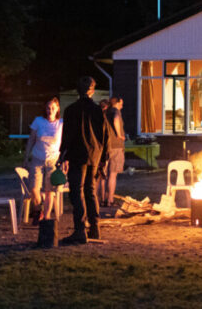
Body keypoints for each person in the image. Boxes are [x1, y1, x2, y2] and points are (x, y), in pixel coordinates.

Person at [59, 76, 107, 244]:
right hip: (94, 155)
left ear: (78, 91)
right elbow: (104, 135)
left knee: (76, 191)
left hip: (77, 155)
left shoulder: (71, 110)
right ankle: (95, 228)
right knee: (90, 190)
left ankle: (80, 230)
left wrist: (62, 154)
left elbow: (67, 135)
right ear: (91, 91)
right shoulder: (97, 110)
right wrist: (104, 158)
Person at [21, 97, 63, 222]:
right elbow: (31, 139)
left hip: (53, 160)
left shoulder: (61, 123)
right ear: (45, 109)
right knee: (34, 188)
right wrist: (26, 157)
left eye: (53, 108)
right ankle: (38, 208)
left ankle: (46, 217)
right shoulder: (38, 121)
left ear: (57, 109)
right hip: (38, 158)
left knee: (50, 190)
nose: (50, 111)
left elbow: (66, 141)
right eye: (48, 108)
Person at [99, 96, 125, 206]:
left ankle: (102, 199)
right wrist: (119, 135)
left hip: (105, 146)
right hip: (116, 146)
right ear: (118, 102)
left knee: (103, 175)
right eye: (121, 103)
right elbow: (115, 120)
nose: (122, 105)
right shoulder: (116, 111)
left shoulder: (106, 112)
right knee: (112, 174)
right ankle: (110, 200)